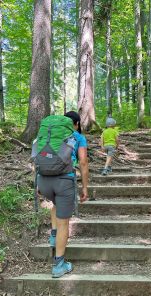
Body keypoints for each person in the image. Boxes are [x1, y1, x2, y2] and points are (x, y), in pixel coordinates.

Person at [37, 111, 89, 278]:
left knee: (56, 204)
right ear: (76, 124)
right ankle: (59, 265)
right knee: (64, 223)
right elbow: (83, 161)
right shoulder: (78, 137)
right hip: (64, 181)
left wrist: (39, 182)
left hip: (44, 179)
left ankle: (53, 236)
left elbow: (37, 154)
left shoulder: (48, 133)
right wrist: (85, 187)